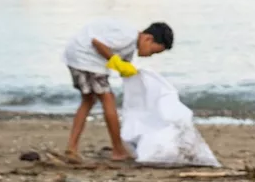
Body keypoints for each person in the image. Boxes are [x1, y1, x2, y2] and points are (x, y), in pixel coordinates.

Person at [63, 19, 174, 161]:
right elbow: (97, 43)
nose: (150, 55)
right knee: (108, 99)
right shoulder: (128, 36)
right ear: (148, 38)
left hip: (77, 56)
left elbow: (123, 64)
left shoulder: (130, 45)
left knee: (88, 100)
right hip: (86, 57)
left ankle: (71, 148)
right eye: (153, 51)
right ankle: (118, 150)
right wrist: (116, 62)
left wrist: (131, 74)